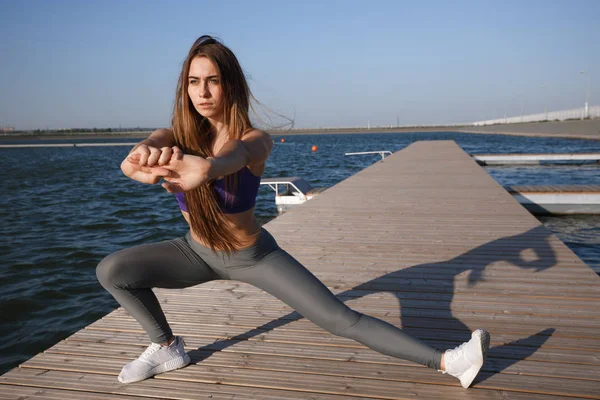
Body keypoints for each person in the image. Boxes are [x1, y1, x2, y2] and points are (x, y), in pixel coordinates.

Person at [96, 35, 490, 389]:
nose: (203, 91)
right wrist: (144, 155)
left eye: (213, 80)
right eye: (194, 82)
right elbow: (141, 152)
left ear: (230, 84)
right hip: (195, 252)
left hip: (252, 256)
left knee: (339, 320)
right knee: (113, 271)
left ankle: (449, 361)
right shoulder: (175, 137)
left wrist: (208, 168)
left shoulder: (255, 140)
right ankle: (167, 347)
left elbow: (234, 156)